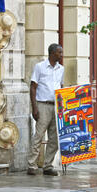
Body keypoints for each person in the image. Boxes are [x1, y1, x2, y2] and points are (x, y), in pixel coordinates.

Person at [27, 44, 64, 176]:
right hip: (42, 104)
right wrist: (34, 107)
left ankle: (48, 165)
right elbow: (33, 87)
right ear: (52, 53)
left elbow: (61, 86)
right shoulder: (40, 67)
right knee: (39, 135)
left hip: (56, 106)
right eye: (59, 53)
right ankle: (32, 164)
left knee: (54, 137)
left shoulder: (61, 69)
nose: (61, 55)